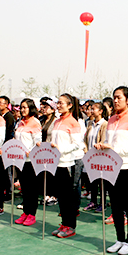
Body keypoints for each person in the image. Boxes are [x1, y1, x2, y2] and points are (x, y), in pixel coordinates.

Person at [97, 86, 128, 255]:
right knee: (115, 206)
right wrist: (102, 147)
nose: (115, 101)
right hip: (111, 168)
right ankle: (119, 239)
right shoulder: (111, 120)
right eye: (114, 98)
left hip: (127, 168)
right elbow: (108, 143)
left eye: (119, 98)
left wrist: (112, 148)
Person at [50, 94, 83, 238]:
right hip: (56, 163)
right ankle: (64, 223)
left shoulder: (73, 122)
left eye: (61, 103)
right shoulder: (57, 122)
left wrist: (60, 149)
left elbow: (77, 144)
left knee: (68, 197)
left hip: (68, 163)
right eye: (58, 103)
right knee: (61, 197)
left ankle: (71, 226)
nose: (59, 105)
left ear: (70, 105)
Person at [14, 99, 43, 226]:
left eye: (25, 107)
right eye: (21, 107)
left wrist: (31, 151)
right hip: (20, 160)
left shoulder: (35, 123)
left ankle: (32, 213)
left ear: (31, 108)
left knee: (32, 189)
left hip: (31, 161)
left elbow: (38, 142)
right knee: (24, 188)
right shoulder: (19, 123)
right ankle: (25, 212)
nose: (22, 109)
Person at [82, 102, 108, 212]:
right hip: (90, 157)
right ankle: (93, 202)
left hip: (100, 157)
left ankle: (102, 203)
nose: (91, 111)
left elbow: (104, 140)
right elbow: (85, 140)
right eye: (91, 109)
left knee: (101, 181)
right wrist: (86, 151)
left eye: (94, 109)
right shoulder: (90, 123)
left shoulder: (104, 124)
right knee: (92, 180)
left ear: (101, 111)